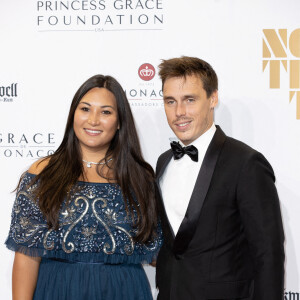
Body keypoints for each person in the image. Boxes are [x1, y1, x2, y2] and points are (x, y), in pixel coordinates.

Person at [5, 74, 162, 300]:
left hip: (124, 291)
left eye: (106, 112)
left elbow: (157, 251)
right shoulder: (43, 172)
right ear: (73, 115)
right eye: (85, 109)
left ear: (119, 122)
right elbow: (27, 256)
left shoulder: (139, 177)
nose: (93, 120)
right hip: (58, 290)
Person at [155, 56, 285, 300]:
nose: (179, 112)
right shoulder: (163, 162)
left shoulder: (246, 163)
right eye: (170, 101)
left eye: (189, 100)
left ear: (212, 98)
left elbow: (269, 255)